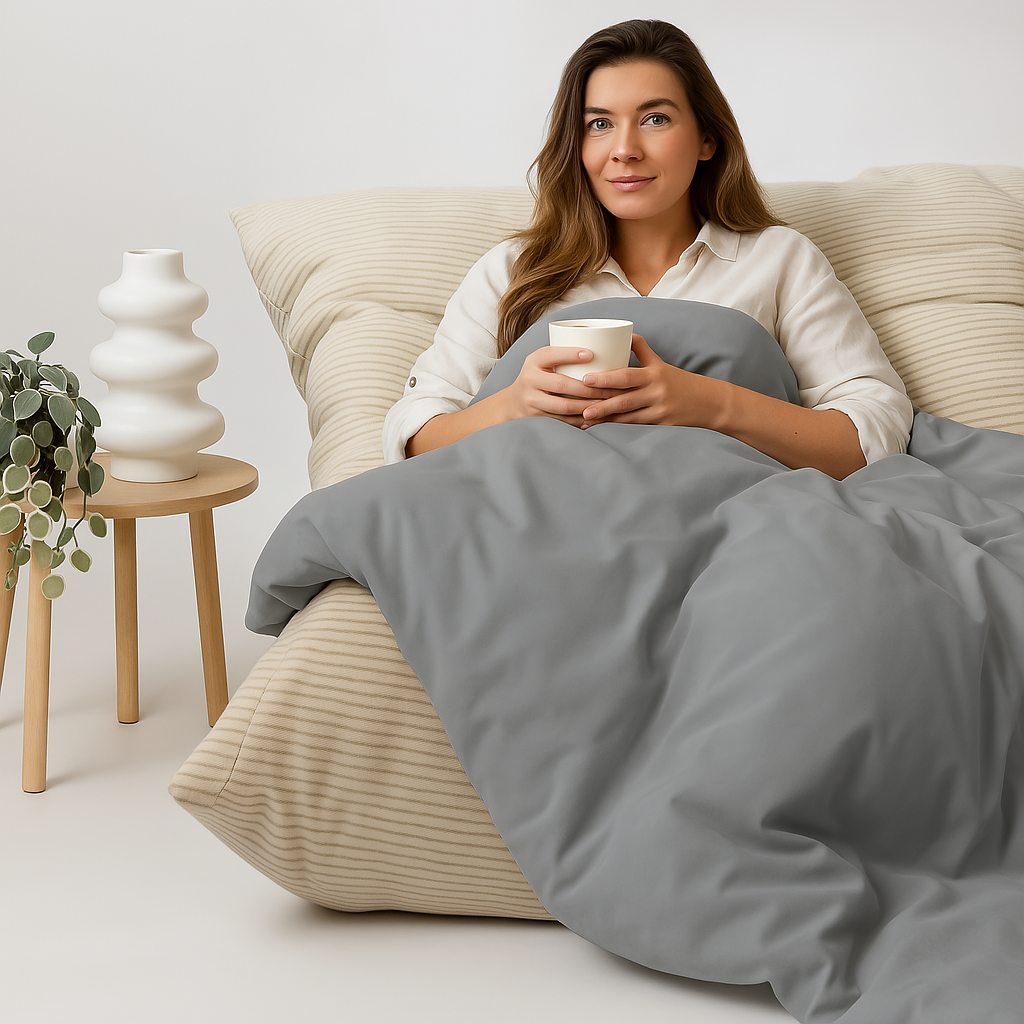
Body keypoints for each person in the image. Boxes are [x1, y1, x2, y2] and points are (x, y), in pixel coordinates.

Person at [382, 19, 912, 480]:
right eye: (599, 124)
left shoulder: (779, 261)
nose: (625, 150)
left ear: (708, 139)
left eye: (656, 118)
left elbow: (874, 432)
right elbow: (414, 438)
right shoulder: (510, 273)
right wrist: (511, 407)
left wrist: (709, 403)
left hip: (741, 518)